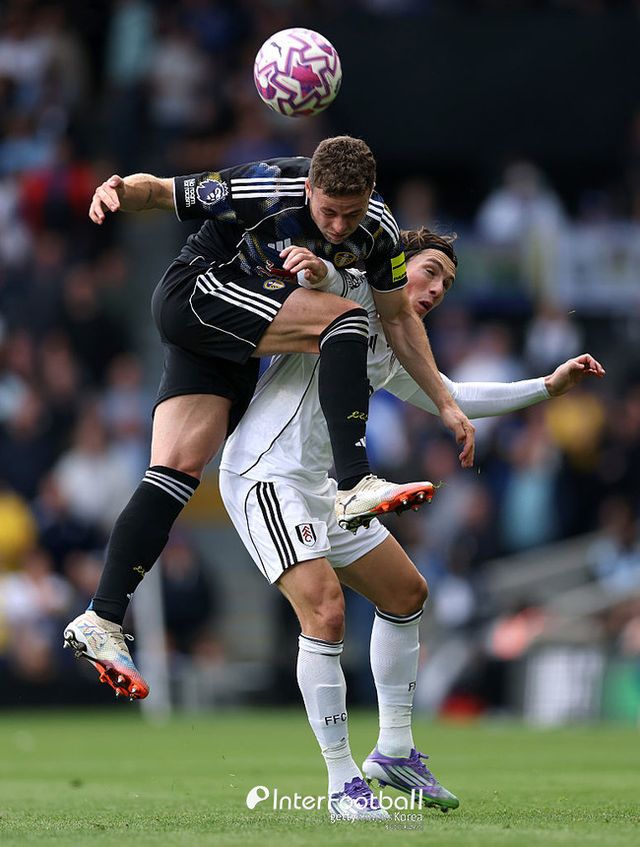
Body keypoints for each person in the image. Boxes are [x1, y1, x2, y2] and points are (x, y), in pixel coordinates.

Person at [63, 137, 475, 700]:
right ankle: (355, 482)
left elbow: (400, 318)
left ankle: (102, 617)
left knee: (175, 471)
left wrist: (446, 402)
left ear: (371, 197)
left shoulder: (379, 232)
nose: (338, 226)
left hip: (231, 343)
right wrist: (117, 190)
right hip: (199, 293)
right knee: (344, 321)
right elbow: (160, 192)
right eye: (327, 211)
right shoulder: (265, 186)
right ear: (308, 187)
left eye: (350, 213)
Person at [218, 228, 605, 819]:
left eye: (447, 283)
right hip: (263, 476)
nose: (437, 289)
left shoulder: (391, 347)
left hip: (321, 487)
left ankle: (395, 752)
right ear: (397, 265)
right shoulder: (349, 294)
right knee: (325, 611)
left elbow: (451, 393)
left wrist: (548, 388)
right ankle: (342, 783)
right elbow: (324, 270)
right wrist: (310, 265)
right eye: (430, 272)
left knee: (406, 593)